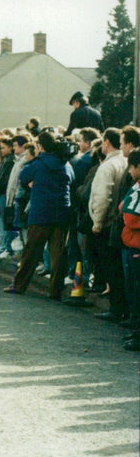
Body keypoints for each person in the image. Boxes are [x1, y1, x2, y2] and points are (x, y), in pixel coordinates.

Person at [4, 131, 75, 300]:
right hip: (62, 212)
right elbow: (71, 179)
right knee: (58, 254)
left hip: (41, 212)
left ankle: (19, 285)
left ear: (41, 147)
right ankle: (55, 291)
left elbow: (23, 176)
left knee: (31, 251)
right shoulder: (65, 163)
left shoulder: (38, 163)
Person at [89, 128, 128, 322]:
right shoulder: (125, 162)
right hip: (119, 221)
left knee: (110, 269)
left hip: (107, 223)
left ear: (106, 142)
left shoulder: (107, 166)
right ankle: (121, 308)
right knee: (119, 269)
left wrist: (97, 221)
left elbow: (103, 196)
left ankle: (116, 308)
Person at [120, 150, 140, 351]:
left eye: (132, 167)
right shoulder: (136, 186)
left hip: (137, 246)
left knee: (137, 293)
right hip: (132, 245)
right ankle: (136, 332)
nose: (129, 171)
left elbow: (130, 217)